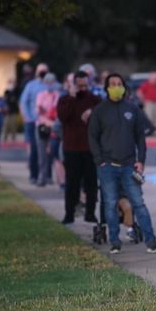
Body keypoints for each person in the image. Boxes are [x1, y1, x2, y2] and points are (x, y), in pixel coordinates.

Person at [88, 72, 156, 254]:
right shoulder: (100, 110)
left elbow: (140, 137)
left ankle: (151, 241)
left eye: (119, 83)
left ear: (124, 87)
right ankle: (114, 242)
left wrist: (141, 161)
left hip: (129, 165)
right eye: (112, 84)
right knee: (110, 205)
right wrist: (99, 160)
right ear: (106, 88)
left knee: (139, 203)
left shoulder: (132, 108)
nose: (116, 87)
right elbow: (92, 136)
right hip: (107, 166)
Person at [57, 70, 101, 224]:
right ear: (73, 85)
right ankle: (69, 214)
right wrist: (72, 97)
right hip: (72, 148)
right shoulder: (65, 100)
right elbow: (63, 117)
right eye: (79, 86)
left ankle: (90, 213)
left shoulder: (94, 100)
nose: (83, 88)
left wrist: (92, 111)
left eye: (85, 85)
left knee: (91, 184)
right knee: (72, 184)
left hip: (90, 148)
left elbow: (103, 113)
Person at [19, 63, 49, 184]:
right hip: (33, 121)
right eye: (40, 71)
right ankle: (34, 175)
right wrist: (28, 117)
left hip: (47, 122)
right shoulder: (31, 85)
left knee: (49, 151)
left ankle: (47, 176)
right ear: (36, 72)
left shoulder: (51, 85)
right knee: (35, 149)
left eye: (45, 71)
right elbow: (23, 102)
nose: (42, 73)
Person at [35, 73, 61, 187]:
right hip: (42, 126)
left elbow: (55, 111)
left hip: (53, 126)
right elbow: (39, 110)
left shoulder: (57, 95)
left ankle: (51, 176)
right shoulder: (41, 95)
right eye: (47, 82)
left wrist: (48, 116)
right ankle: (42, 176)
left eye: (51, 82)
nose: (49, 84)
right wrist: (45, 116)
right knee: (42, 153)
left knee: (52, 152)